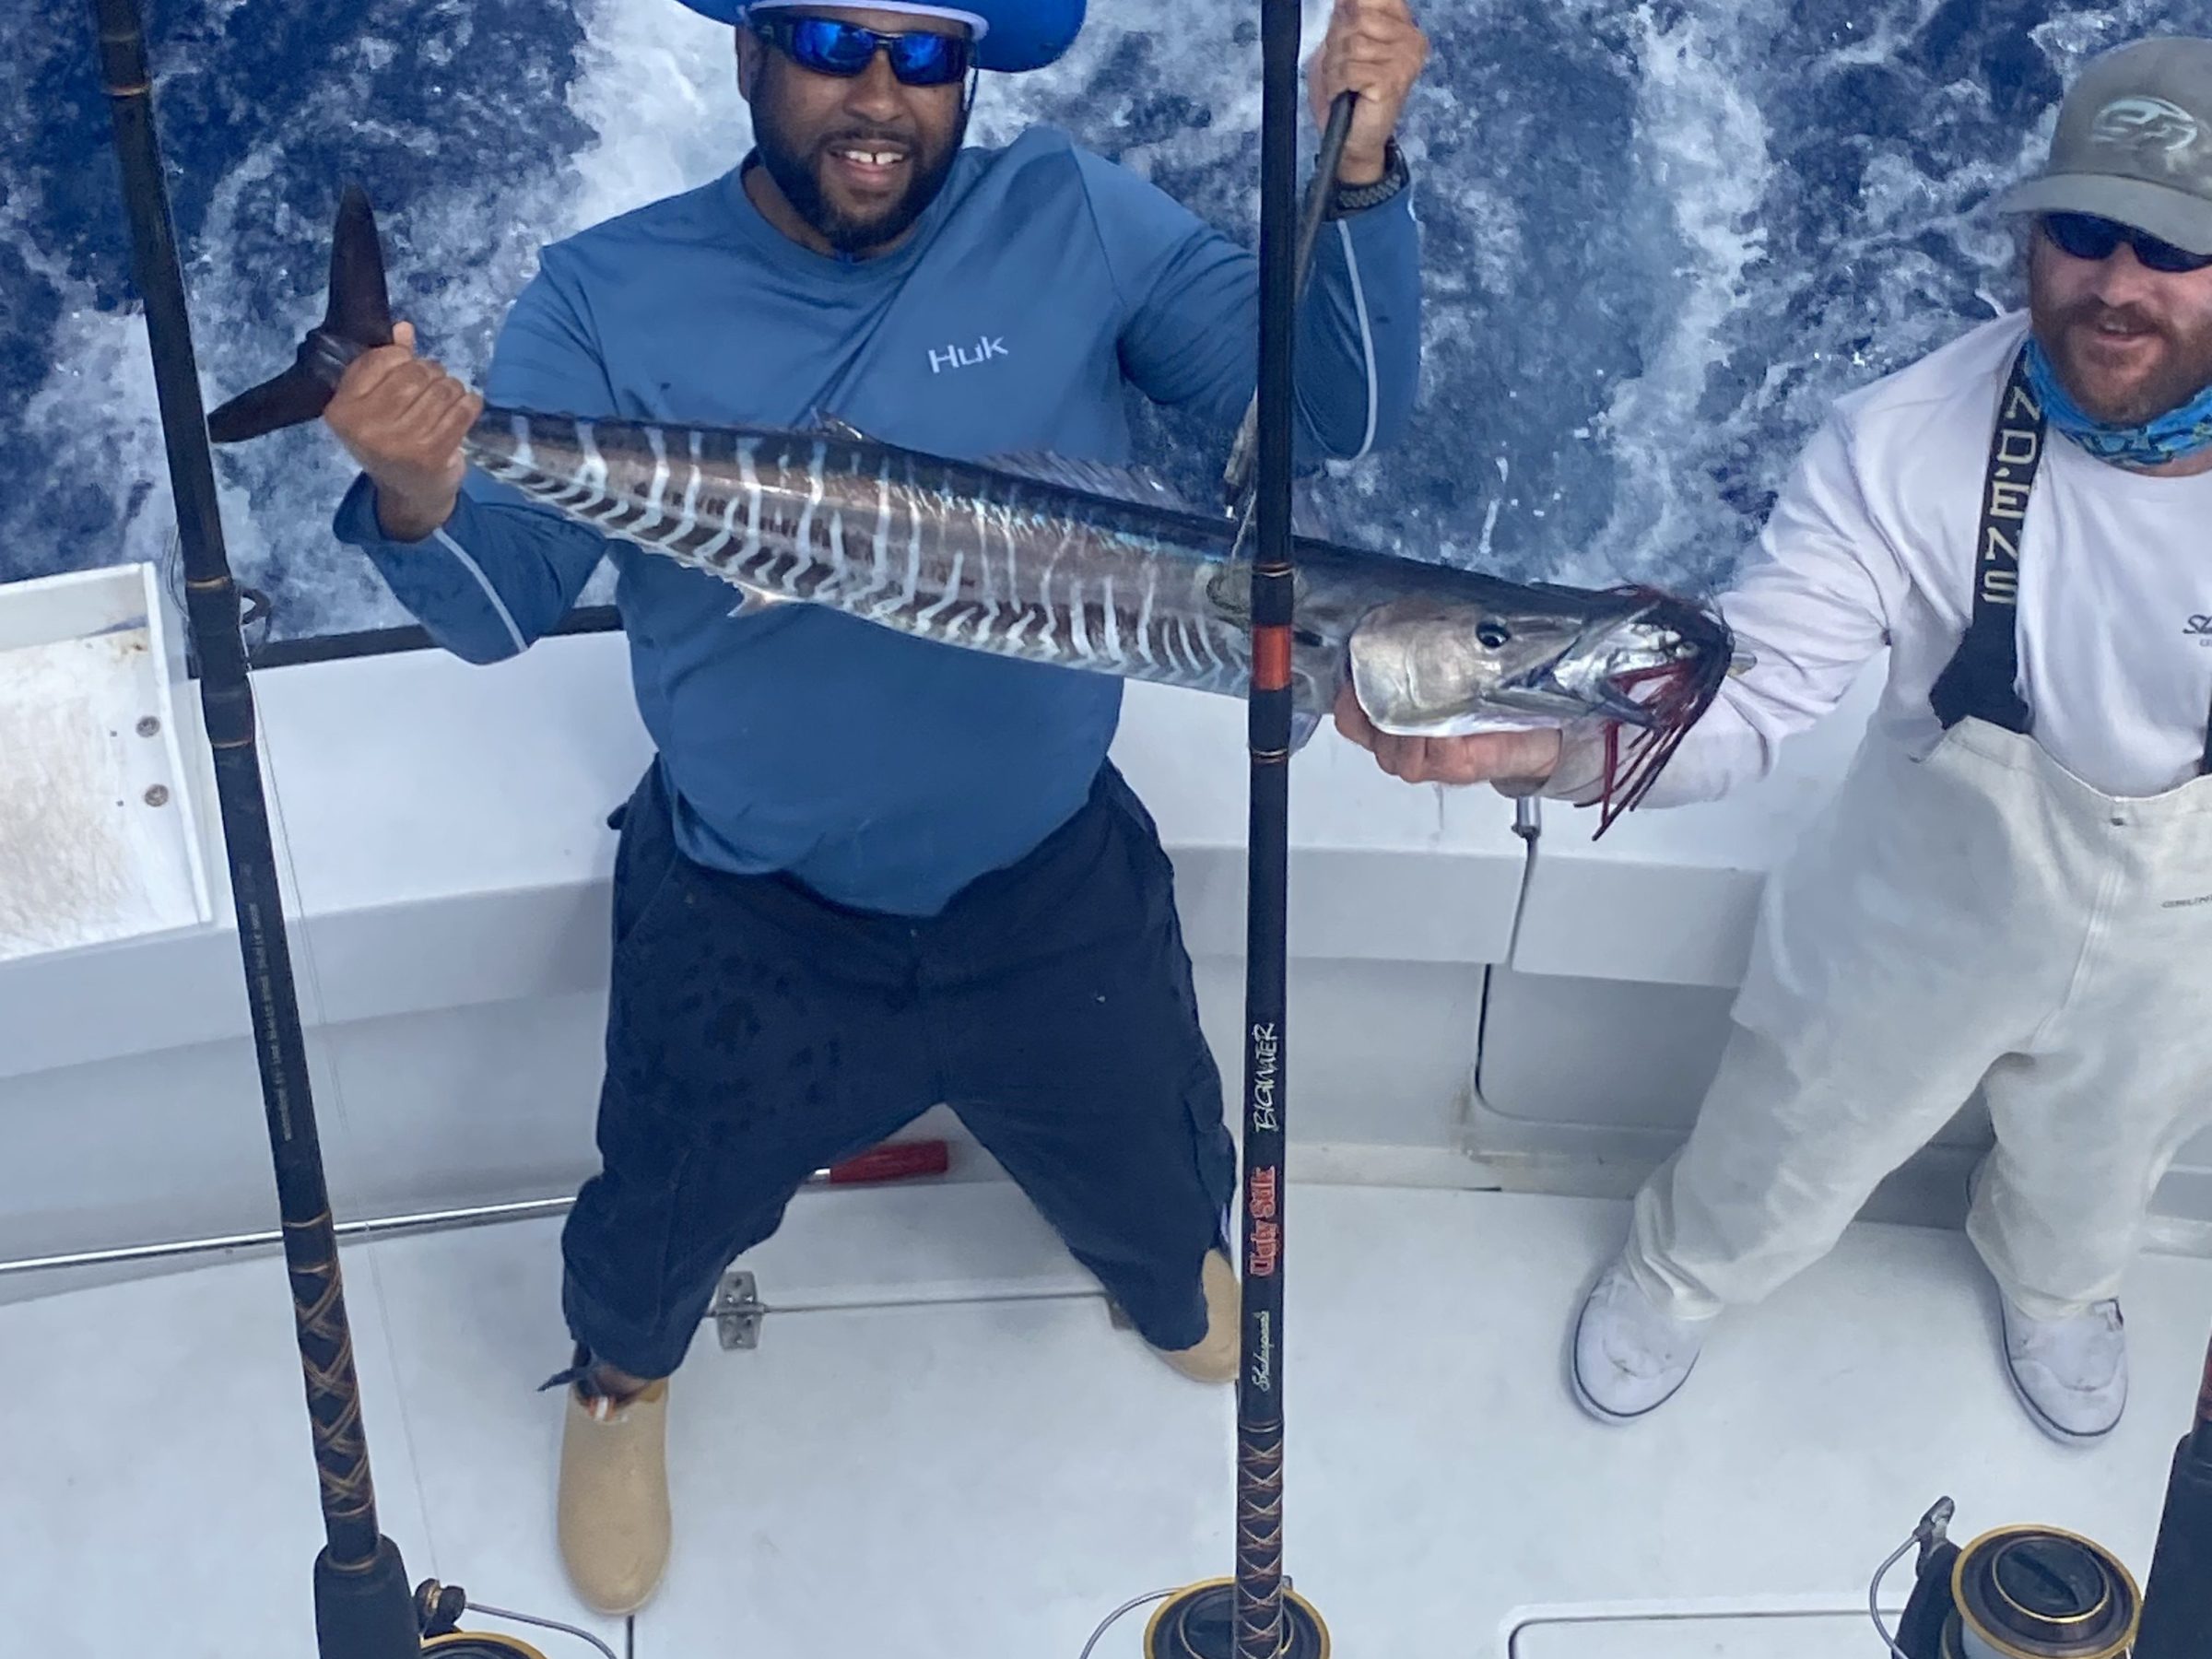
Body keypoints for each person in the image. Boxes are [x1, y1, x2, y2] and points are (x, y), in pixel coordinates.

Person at [320, 0, 1429, 1616]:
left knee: (1159, 1183)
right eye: (836, 38)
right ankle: (622, 1383)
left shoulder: (1075, 215)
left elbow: (1334, 414)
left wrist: (1367, 165)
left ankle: (1157, 1273)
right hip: (747, 915)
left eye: (926, 58)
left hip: (1048, 890)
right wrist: (417, 483)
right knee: (653, 1235)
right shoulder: (604, 292)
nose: (880, 95)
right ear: (750, 54)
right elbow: (498, 609)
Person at [1337, 34, 2212, 1446]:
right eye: (2085, 231)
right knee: (1796, 1129)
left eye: (2175, 246)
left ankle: (2061, 1289)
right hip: (1927, 904)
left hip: (2190, 932)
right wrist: (1543, 750)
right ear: (2034, 238)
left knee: (2110, 1154)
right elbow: (1741, 702)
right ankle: (1681, 1275)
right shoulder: (1904, 445)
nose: (2118, 284)